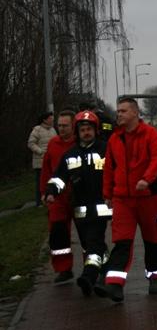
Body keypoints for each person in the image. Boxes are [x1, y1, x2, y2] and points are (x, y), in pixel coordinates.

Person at [95, 97, 157, 302]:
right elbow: (109, 168)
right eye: (118, 111)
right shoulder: (115, 139)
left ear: (135, 113)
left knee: (153, 238)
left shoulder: (150, 135)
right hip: (123, 199)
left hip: (147, 197)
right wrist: (107, 194)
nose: (119, 115)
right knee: (122, 240)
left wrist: (147, 179)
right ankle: (115, 285)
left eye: (123, 111)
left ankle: (155, 276)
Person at [45, 110, 111, 295]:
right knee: (92, 244)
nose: (86, 132)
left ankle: (88, 276)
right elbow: (59, 177)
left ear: (95, 130)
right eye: (83, 129)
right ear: (78, 132)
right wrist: (51, 191)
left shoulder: (106, 149)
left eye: (89, 129)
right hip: (80, 209)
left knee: (93, 242)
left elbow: (117, 171)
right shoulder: (70, 154)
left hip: (101, 208)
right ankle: (105, 273)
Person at [40, 110, 76, 283]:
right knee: (58, 232)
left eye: (65, 125)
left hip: (78, 195)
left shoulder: (80, 143)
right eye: (59, 125)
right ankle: (63, 268)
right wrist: (45, 192)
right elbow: (46, 169)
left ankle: (92, 269)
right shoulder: (53, 144)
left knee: (87, 233)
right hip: (58, 197)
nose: (61, 129)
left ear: (73, 126)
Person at [27, 111, 57, 206]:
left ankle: (51, 198)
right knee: (40, 182)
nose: (52, 120)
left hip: (51, 160)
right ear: (45, 120)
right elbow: (31, 143)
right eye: (50, 118)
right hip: (40, 161)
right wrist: (40, 152)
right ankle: (39, 202)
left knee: (52, 180)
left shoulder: (53, 130)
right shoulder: (37, 129)